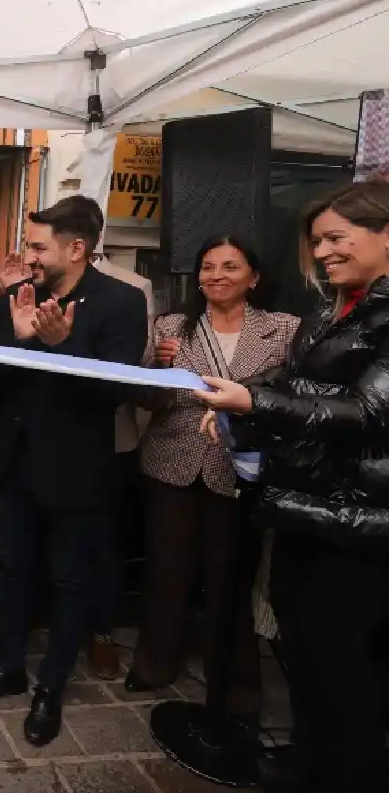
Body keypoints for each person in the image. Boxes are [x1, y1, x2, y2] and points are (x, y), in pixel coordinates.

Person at [196, 181, 389, 793]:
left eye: (337, 238)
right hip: (310, 509)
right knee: (303, 653)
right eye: (317, 243)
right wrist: (241, 403)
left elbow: (366, 412)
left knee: (344, 668)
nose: (325, 253)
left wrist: (254, 400)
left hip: (362, 523)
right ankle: (311, 761)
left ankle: (351, 773)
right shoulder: (337, 306)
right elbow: (295, 378)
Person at [0, 195, 148, 748]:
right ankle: (10, 667)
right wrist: (14, 337)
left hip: (76, 471)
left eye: (39, 246)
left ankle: (51, 687)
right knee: (12, 570)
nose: (29, 256)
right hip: (15, 464)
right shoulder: (22, 297)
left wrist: (64, 350)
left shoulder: (120, 302)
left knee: (69, 578)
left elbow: (113, 393)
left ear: (77, 247)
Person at [125, 236, 296, 719]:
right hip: (171, 462)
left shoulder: (284, 330)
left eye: (230, 266)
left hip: (238, 469)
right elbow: (146, 397)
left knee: (231, 578)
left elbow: (290, 402)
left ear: (254, 277)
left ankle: (239, 684)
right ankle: (154, 663)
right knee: (166, 571)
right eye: (207, 267)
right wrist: (158, 369)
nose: (216, 275)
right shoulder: (171, 325)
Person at [85, 252, 155, 679]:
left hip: (110, 432)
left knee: (105, 539)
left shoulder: (131, 287)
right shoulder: (34, 282)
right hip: (50, 436)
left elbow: (138, 361)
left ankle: (101, 632)